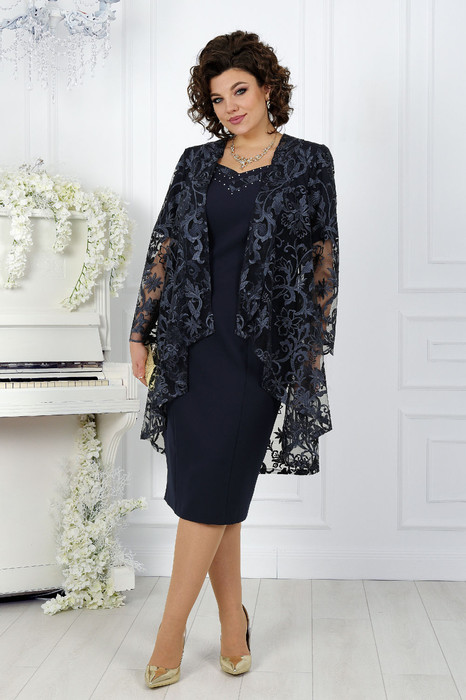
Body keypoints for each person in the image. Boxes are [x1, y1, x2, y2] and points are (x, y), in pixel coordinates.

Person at [129, 30, 339, 689]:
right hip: (189, 344)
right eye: (218, 99)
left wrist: (310, 351)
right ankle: (231, 623)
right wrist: (141, 331)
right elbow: (165, 246)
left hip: (261, 351)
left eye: (240, 90)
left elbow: (323, 259)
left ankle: (169, 633)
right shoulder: (196, 163)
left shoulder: (309, 161)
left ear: (268, 87)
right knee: (212, 492)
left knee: (211, 493)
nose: (231, 107)